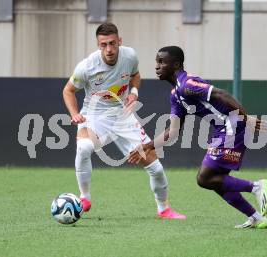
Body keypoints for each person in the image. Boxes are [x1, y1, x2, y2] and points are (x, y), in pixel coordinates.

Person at [128, 46, 267, 228]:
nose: (157, 66)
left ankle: (257, 187)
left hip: (233, 125)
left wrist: (245, 117)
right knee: (215, 181)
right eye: (157, 62)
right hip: (224, 129)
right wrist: (147, 146)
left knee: (204, 178)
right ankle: (256, 217)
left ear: (176, 64)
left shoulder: (187, 84)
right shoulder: (176, 95)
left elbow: (221, 94)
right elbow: (172, 133)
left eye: (162, 62)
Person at [62, 23, 185, 219]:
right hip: (95, 116)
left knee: (156, 168)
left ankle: (164, 209)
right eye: (103, 45)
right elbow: (68, 90)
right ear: (98, 44)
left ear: (120, 41)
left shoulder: (129, 56)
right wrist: (75, 113)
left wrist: (134, 92)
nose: (109, 49)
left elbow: (135, 76)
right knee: (84, 148)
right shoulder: (87, 66)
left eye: (112, 43)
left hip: (123, 116)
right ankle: (84, 198)